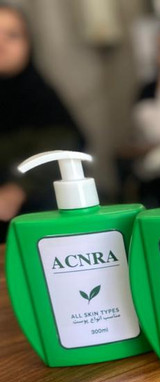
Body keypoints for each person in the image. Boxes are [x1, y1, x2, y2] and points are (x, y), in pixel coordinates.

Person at [0, 3, 85, 242]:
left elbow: (62, 149)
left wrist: (18, 188)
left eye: (12, 35)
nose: (1, 44)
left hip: (36, 224)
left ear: (28, 43)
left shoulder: (41, 99)